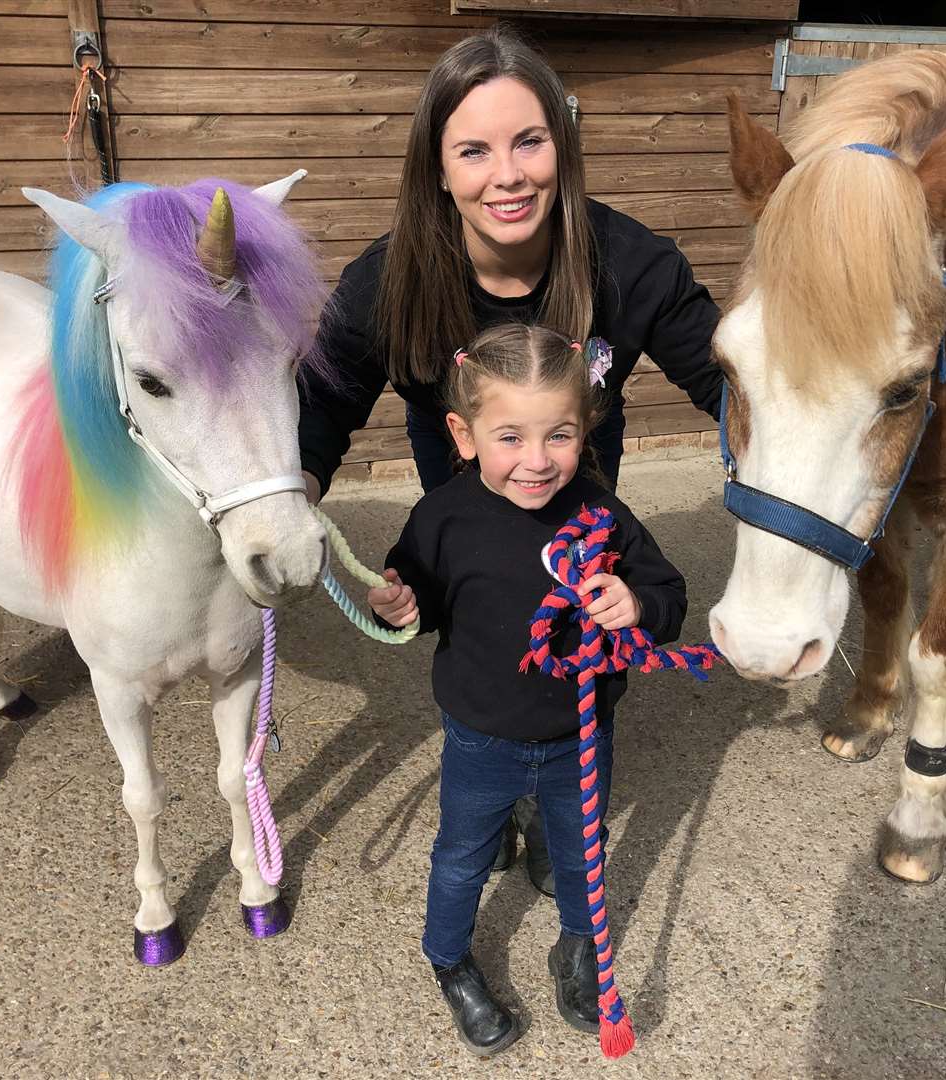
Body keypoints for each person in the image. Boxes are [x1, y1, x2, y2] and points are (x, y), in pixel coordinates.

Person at [301, 26, 724, 889]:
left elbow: (732, 386)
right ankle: (490, 781)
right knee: (475, 594)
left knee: (588, 611)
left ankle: (565, 778)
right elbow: (325, 402)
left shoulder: (631, 265)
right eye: (474, 150)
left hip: (583, 470)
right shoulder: (387, 282)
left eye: (529, 141)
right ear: (439, 168)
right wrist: (293, 491)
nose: (509, 174)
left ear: (561, 148)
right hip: (453, 463)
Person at [367, 323, 688, 1056]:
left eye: (560, 436)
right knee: (462, 856)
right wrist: (402, 606)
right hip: (481, 736)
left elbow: (668, 594)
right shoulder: (441, 519)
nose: (538, 462)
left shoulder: (602, 517)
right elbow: (417, 599)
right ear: (464, 432)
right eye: (510, 437)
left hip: (581, 734)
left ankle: (576, 947)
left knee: (581, 852)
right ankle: (448, 958)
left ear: (586, 431)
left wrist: (636, 605)